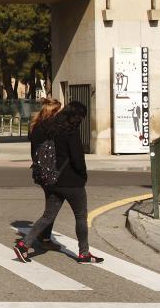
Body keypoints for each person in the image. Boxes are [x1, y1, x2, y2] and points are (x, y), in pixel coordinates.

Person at [14, 101, 104, 264]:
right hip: (72, 182)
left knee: (47, 216)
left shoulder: (48, 127)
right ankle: (84, 253)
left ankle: (23, 245)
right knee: (81, 217)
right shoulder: (71, 130)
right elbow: (77, 158)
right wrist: (83, 175)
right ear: (77, 116)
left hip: (52, 180)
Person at [26, 97, 63, 248]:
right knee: (53, 206)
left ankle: (45, 237)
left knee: (52, 203)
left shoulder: (36, 125)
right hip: (51, 170)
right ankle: (29, 241)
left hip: (40, 169)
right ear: (54, 111)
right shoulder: (51, 127)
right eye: (60, 111)